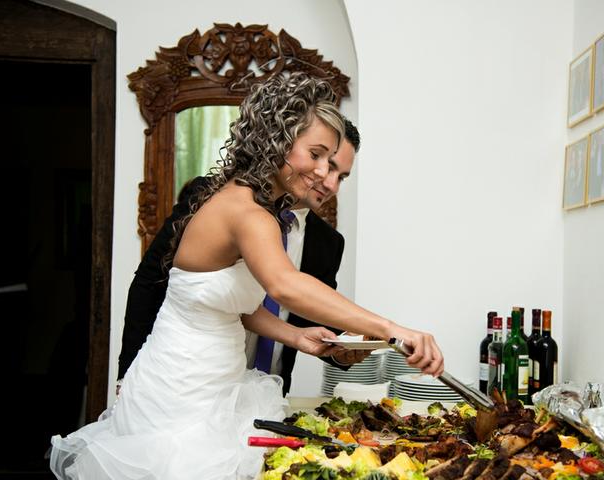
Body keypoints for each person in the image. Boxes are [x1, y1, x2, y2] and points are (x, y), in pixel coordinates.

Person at [50, 73, 444, 479]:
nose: (322, 173)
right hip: (180, 396)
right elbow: (285, 286)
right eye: (316, 154)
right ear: (278, 139)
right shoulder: (247, 212)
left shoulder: (247, 203)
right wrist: (393, 329)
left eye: (331, 163)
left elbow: (230, 304)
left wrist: (296, 336)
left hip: (220, 391)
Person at [117, 119, 365, 396]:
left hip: (267, 392)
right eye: (327, 164)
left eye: (341, 176)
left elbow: (311, 317)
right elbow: (151, 280)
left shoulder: (328, 243)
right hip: (189, 381)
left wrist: (342, 349)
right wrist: (128, 372)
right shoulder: (213, 197)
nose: (330, 183)